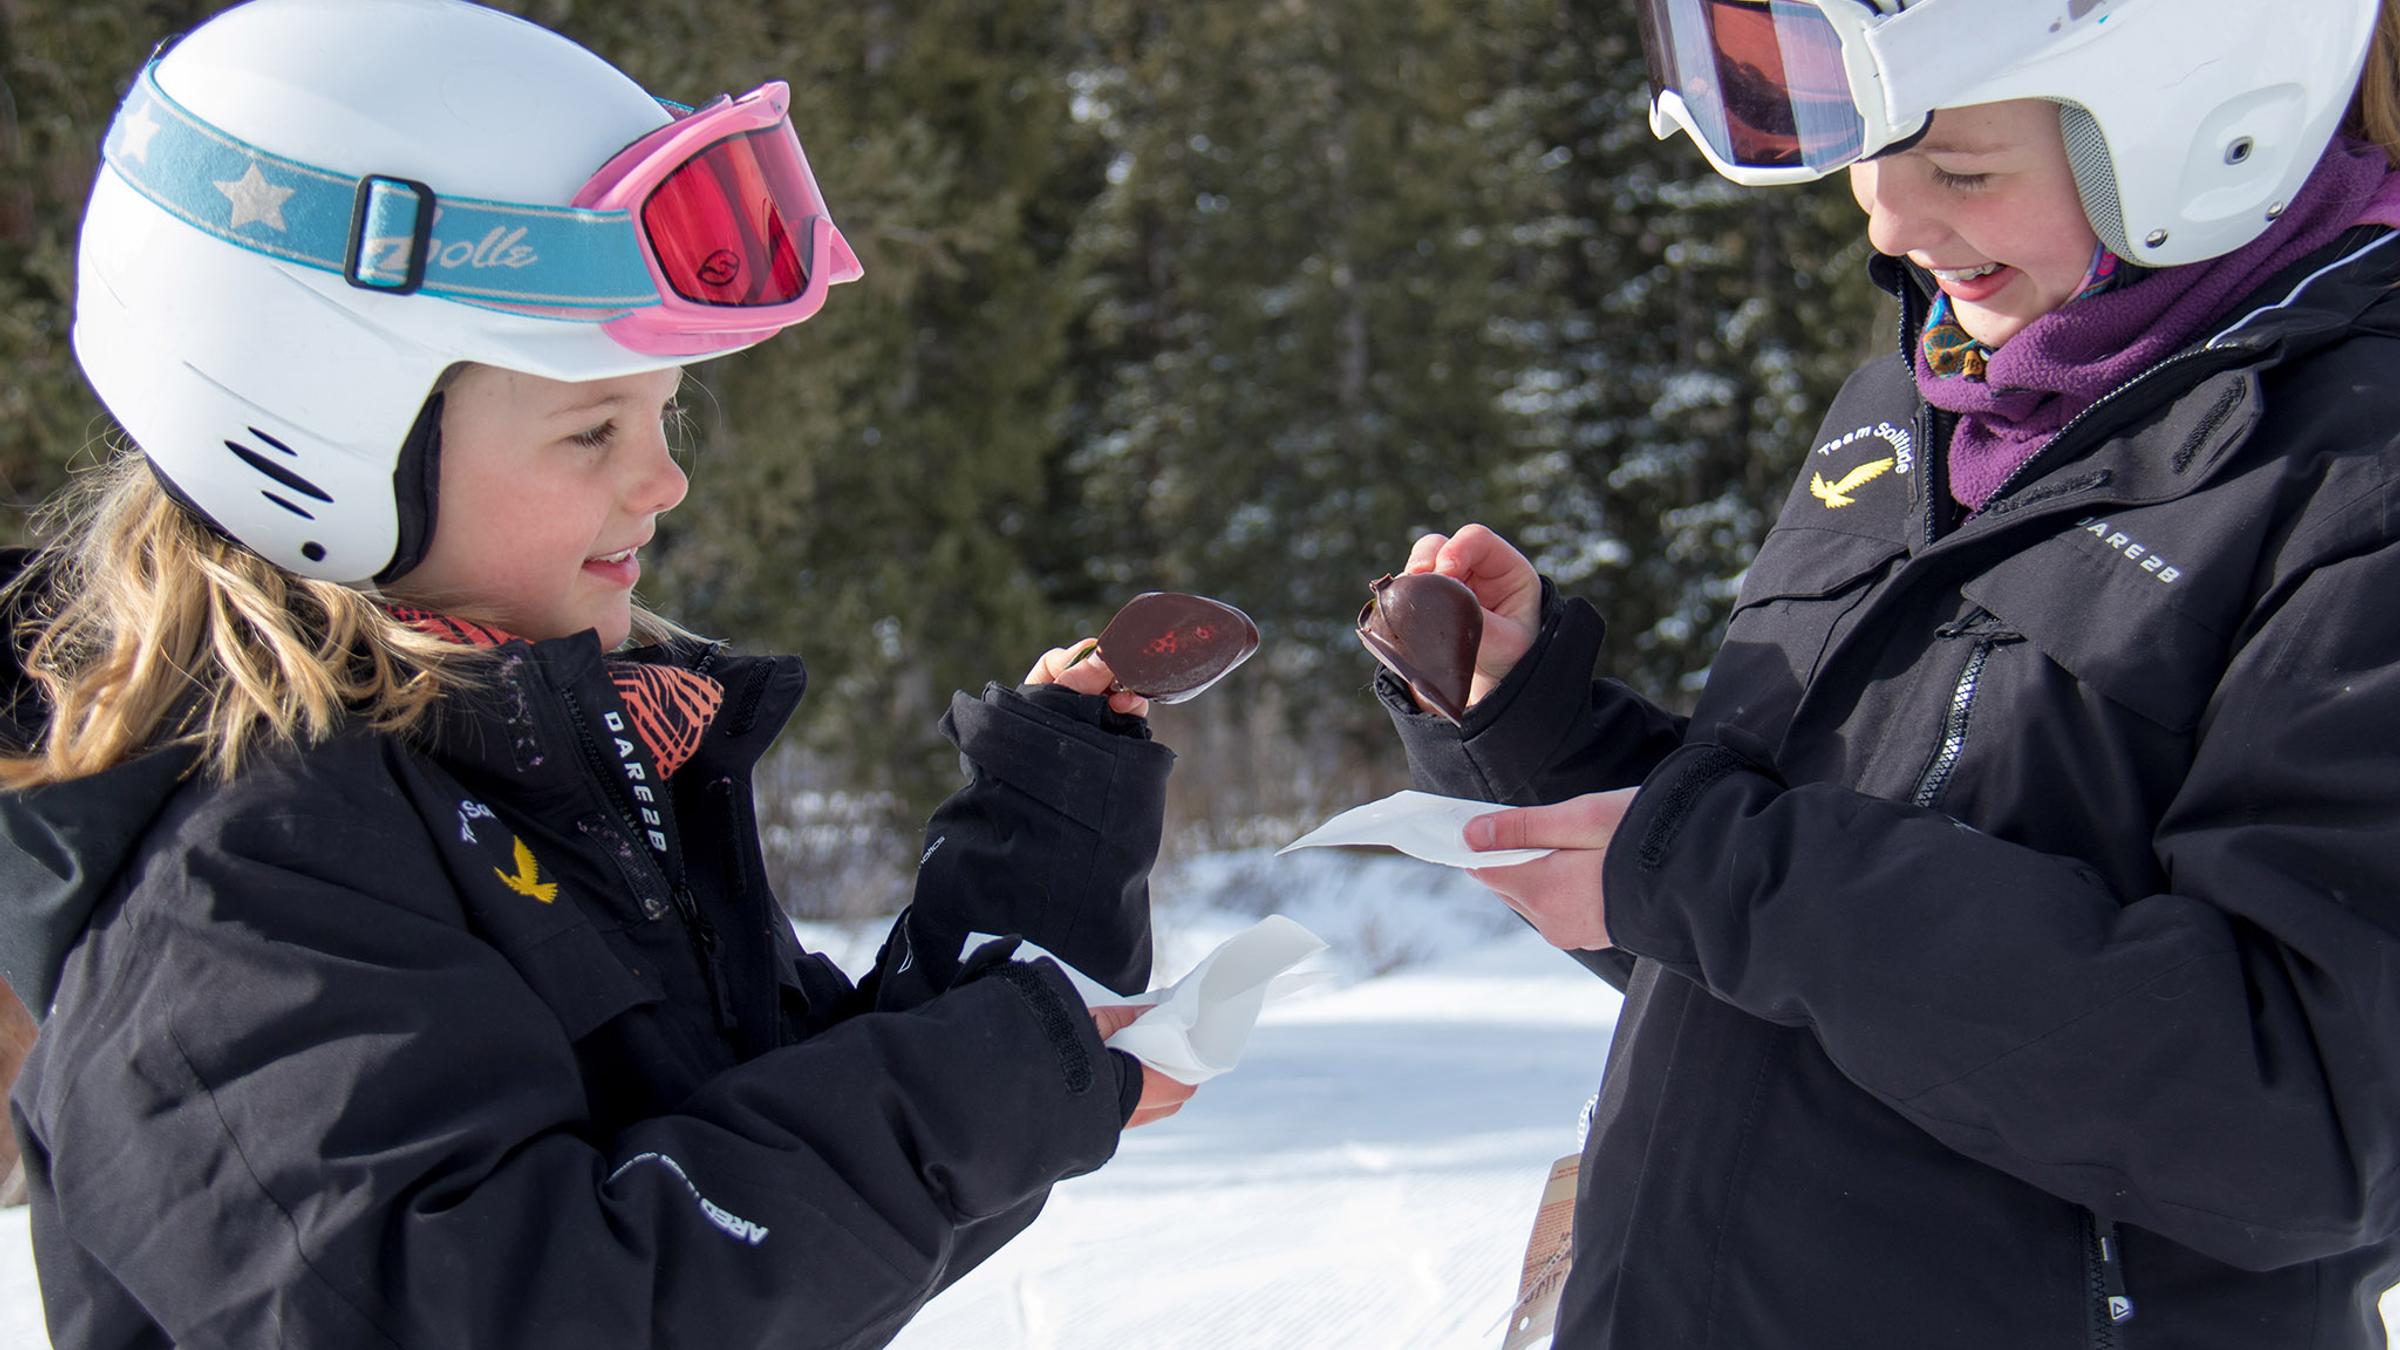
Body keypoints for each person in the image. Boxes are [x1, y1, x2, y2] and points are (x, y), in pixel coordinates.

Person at [0, 1, 1192, 1345]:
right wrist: (973, 1094)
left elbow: (767, 1195)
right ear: (317, 430)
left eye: (661, 411)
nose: (663, 477)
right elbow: (538, 1301)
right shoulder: (227, 892)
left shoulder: (525, 782)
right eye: (590, 429)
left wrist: (1043, 842)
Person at [1377, 1, 2400, 1345]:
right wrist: (1538, 732)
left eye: (1964, 168)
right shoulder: (1918, 411)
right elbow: (1809, 932)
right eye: (1872, 148)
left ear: (2221, 126)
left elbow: (2306, 1111)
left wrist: (1721, 869)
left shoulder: (2353, 477)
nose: (1888, 220)